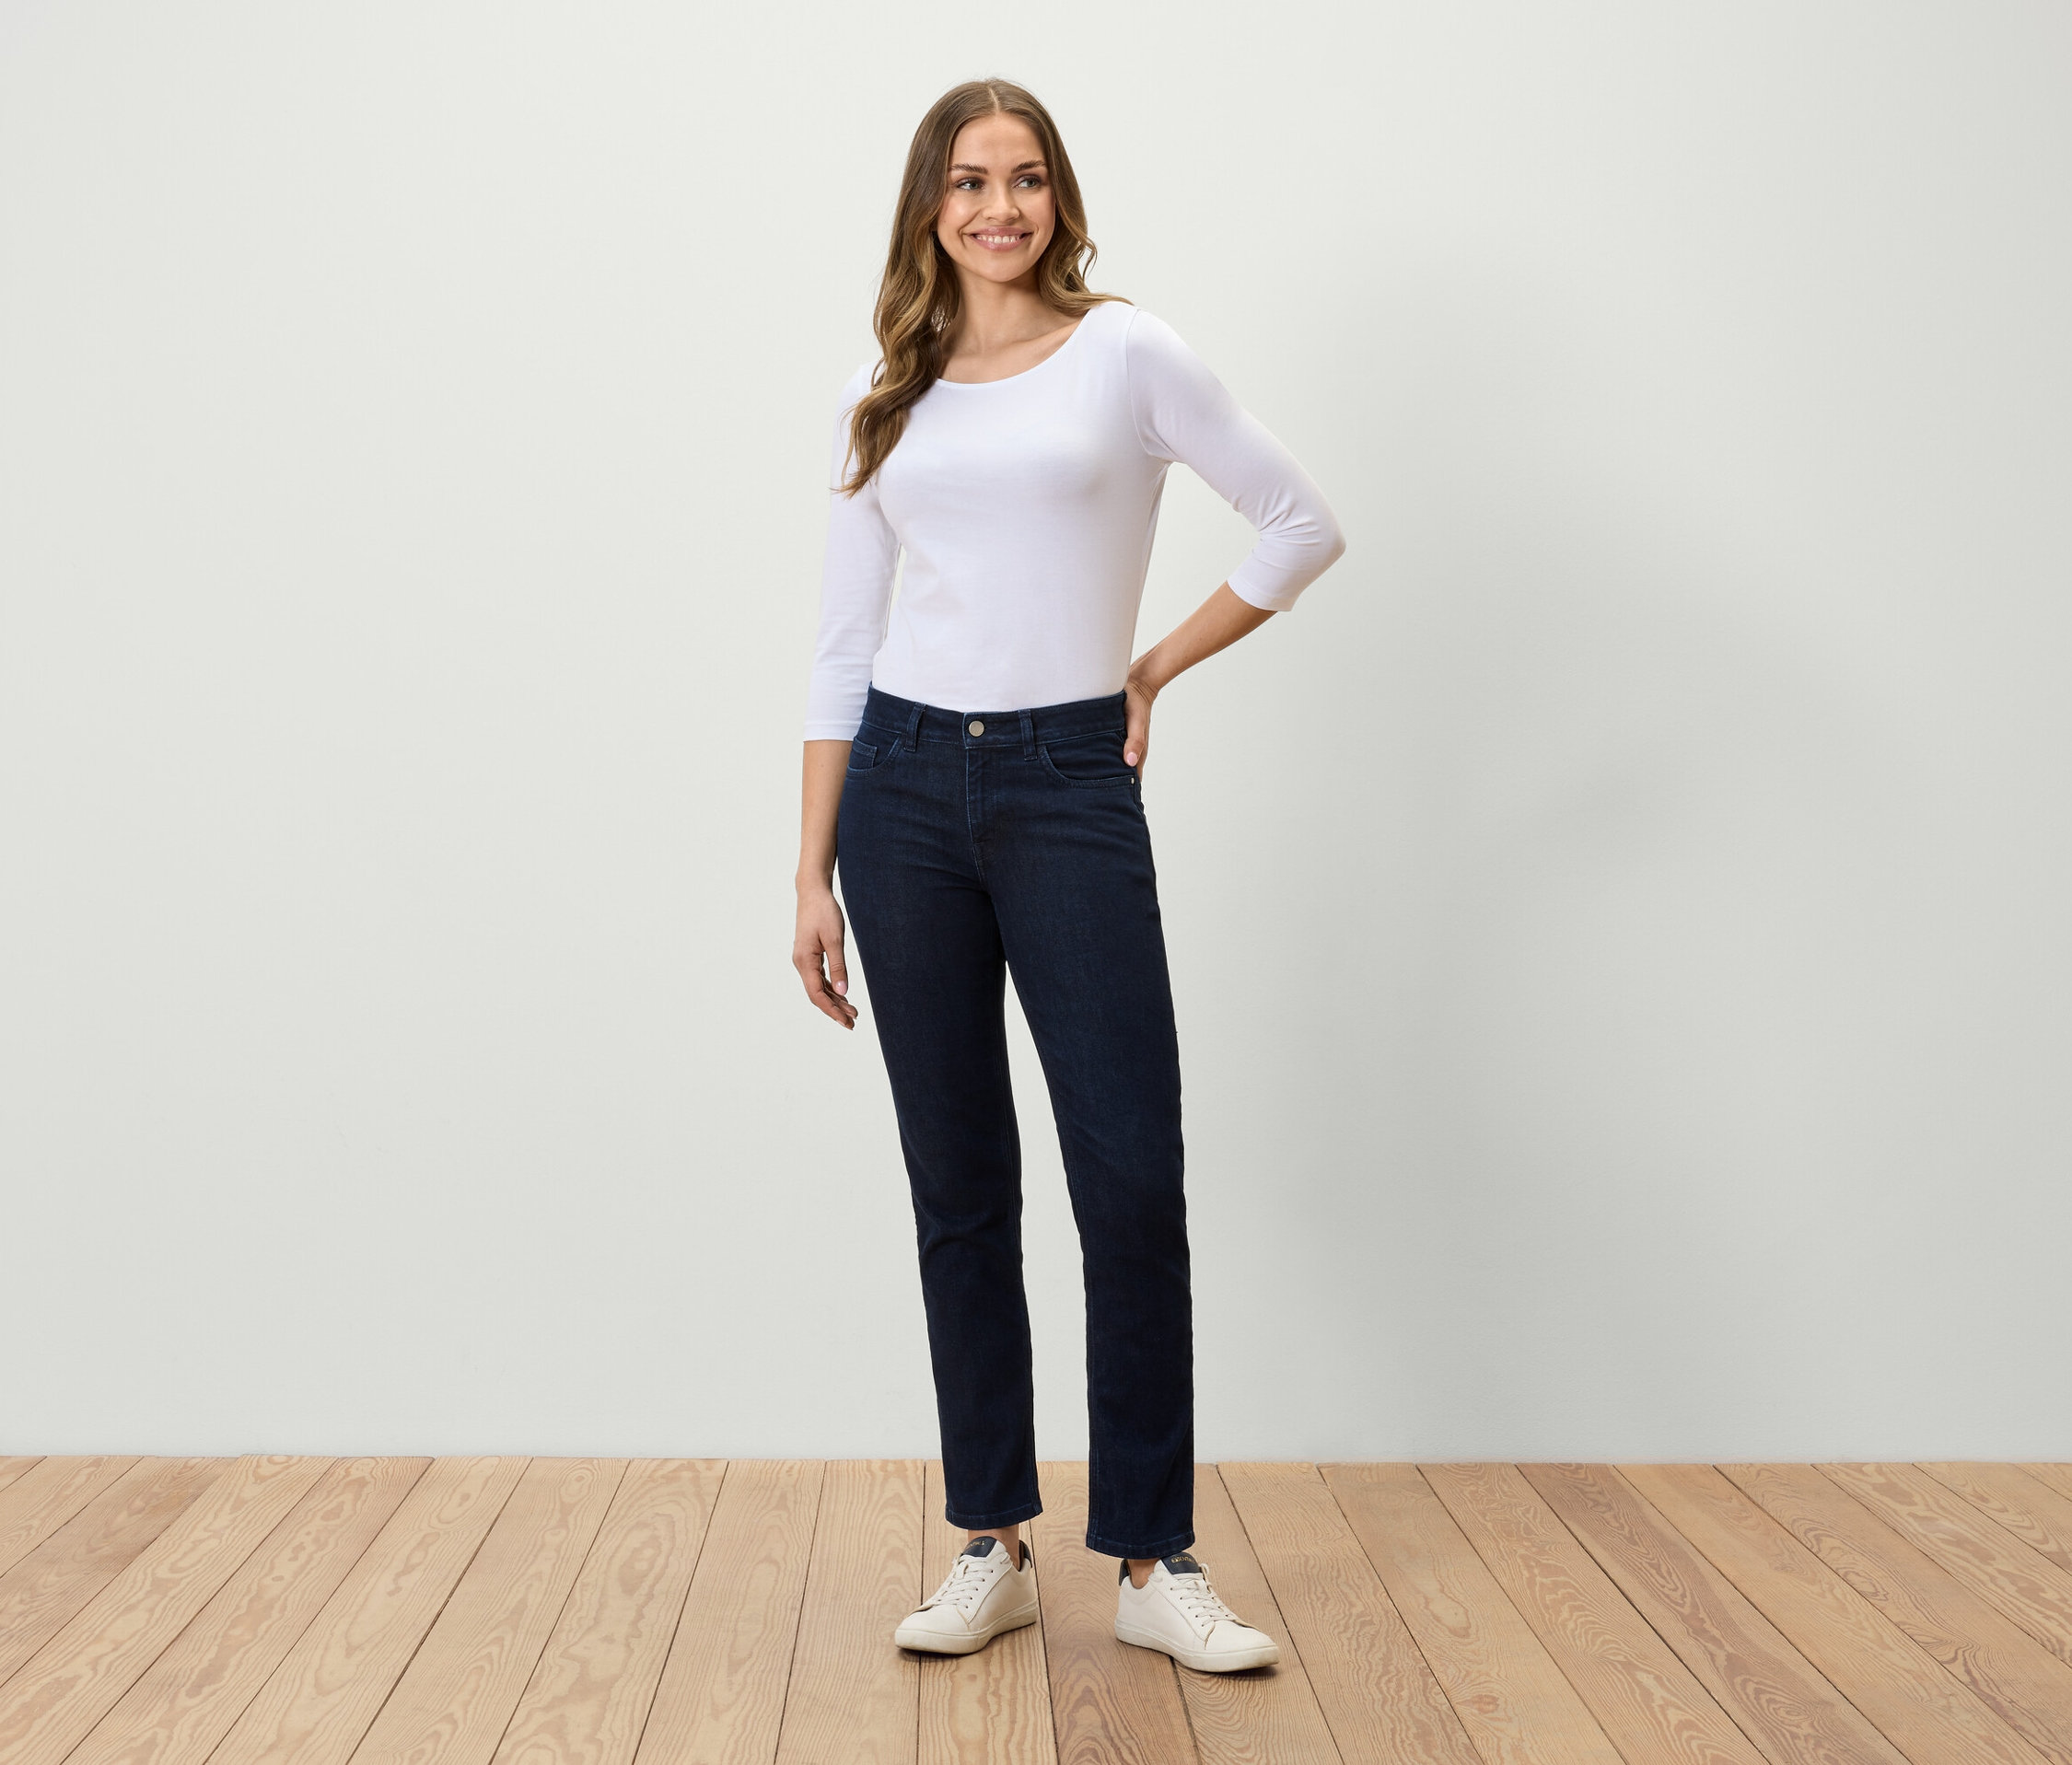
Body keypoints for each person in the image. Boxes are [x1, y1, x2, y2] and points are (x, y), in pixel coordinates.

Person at [791, 76, 1344, 1672]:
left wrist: (1151, 667)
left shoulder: (1128, 354)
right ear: (928, 203)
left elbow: (1298, 523)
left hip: (1060, 784)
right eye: (969, 181)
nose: (999, 208)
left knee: (1127, 1172)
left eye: (1026, 178)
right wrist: (811, 870)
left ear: (1059, 196)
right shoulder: (881, 392)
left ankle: (1153, 1554)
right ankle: (990, 1540)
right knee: (959, 1185)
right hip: (897, 789)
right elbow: (839, 645)